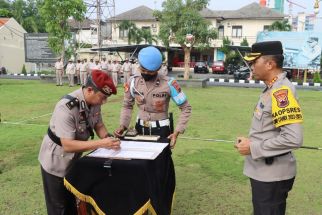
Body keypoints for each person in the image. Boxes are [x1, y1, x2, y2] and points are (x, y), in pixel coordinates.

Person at [114, 46, 192, 215]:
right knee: (138, 169)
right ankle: (140, 206)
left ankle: (159, 206)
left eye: (149, 71)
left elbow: (186, 108)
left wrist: (177, 131)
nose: (144, 73)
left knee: (159, 171)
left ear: (157, 70)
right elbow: (127, 105)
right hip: (140, 130)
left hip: (161, 132)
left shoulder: (169, 83)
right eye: (142, 69)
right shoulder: (133, 81)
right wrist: (123, 125)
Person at [234, 41, 303, 215]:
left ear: (270, 64)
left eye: (254, 62)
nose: (251, 66)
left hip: (271, 175)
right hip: (264, 172)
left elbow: (293, 138)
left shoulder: (282, 92)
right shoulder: (271, 88)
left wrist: (253, 147)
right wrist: (251, 141)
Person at [38, 70, 120, 215]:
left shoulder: (94, 101)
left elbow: (98, 124)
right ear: (89, 90)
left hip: (74, 161)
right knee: (59, 208)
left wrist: (109, 138)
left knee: (73, 206)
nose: (104, 101)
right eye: (103, 97)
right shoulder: (66, 107)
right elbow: (68, 145)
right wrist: (102, 144)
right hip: (55, 162)